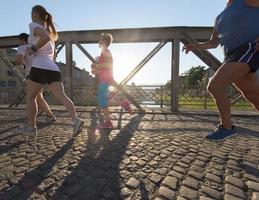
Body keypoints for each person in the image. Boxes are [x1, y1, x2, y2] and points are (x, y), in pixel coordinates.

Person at [183, 0, 259, 141]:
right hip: (231, 56)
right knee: (252, 95)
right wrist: (196, 46)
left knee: (215, 86)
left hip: (249, 49)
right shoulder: (219, 17)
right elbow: (213, 42)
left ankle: (227, 127)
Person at [20, 5, 84, 136]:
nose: (31, 17)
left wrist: (33, 48)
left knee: (31, 97)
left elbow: (44, 38)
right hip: (53, 69)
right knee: (62, 96)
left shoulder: (33, 25)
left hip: (39, 67)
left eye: (31, 14)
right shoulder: (51, 32)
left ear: (35, 15)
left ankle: (31, 128)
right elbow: (53, 54)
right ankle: (76, 120)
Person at [91, 33, 132, 129]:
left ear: (104, 41)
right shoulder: (103, 53)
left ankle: (109, 122)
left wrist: (98, 66)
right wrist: (95, 70)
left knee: (102, 101)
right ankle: (122, 104)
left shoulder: (106, 51)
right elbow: (103, 68)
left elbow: (109, 65)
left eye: (100, 40)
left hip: (106, 80)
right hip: (105, 79)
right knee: (103, 101)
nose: (98, 42)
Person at [15, 33, 56, 124]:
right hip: (43, 72)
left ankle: (31, 124)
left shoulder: (22, 47)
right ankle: (50, 116)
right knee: (38, 98)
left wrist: (18, 61)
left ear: (22, 40)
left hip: (32, 74)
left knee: (31, 98)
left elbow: (18, 61)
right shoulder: (36, 47)